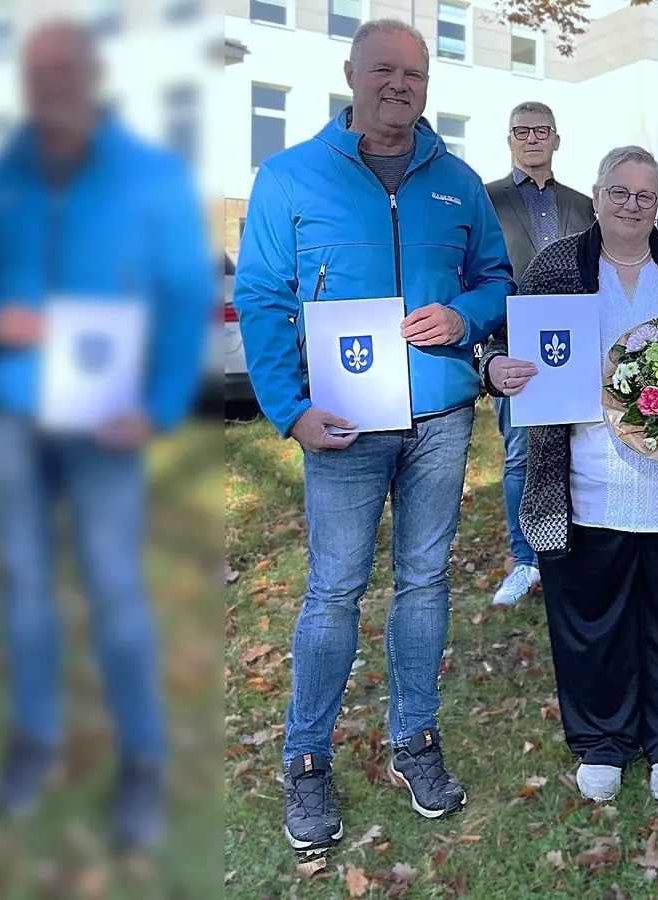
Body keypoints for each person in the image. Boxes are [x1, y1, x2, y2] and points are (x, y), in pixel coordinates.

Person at [233, 19, 514, 854]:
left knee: (424, 585)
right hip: (344, 423)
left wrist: (463, 314)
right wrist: (288, 410)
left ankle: (415, 741)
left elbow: (497, 279)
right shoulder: (289, 178)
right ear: (351, 73)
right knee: (333, 592)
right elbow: (260, 297)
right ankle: (307, 758)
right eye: (385, 70)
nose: (400, 84)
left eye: (416, 74)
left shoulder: (459, 183)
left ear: (429, 85)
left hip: (439, 418)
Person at [0, 22, 209, 850]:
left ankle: (142, 761)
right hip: (12, 413)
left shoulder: (152, 178)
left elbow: (183, 297)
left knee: (113, 587)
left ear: (93, 78)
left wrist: (162, 405)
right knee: (26, 584)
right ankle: (36, 741)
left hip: (107, 420)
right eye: (37, 73)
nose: (52, 85)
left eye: (66, 70)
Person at [480, 146, 658, 804]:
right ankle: (602, 740)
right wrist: (499, 370)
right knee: (591, 619)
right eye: (620, 192)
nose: (633, 205)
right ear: (596, 196)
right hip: (582, 479)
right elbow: (508, 341)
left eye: (646, 195)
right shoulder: (555, 266)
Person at [482, 101, 595, 607]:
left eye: (541, 130)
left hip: (575, 344)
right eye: (521, 131)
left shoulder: (580, 203)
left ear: (556, 138)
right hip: (513, 343)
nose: (532, 138)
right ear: (509, 139)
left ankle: (573, 549)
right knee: (522, 454)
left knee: (579, 447)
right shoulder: (487, 200)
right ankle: (525, 560)